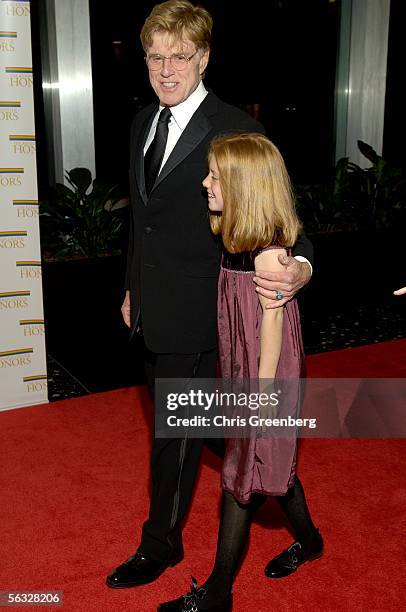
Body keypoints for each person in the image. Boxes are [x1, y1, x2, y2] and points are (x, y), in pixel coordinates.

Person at [106, 0, 314, 590]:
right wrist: (132, 286)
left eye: (180, 56)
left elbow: (281, 214)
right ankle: (304, 527)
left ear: (204, 58)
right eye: (155, 56)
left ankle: (159, 546)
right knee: (232, 438)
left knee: (177, 438)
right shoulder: (143, 121)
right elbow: (141, 221)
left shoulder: (235, 129)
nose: (166, 68)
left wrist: (300, 265)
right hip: (153, 306)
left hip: (208, 312)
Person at [159, 133, 322, 611]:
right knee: (270, 463)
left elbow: (271, 326)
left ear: (245, 186)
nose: (205, 182)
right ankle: (310, 541)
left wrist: (263, 392)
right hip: (242, 361)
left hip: (265, 370)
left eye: (216, 176)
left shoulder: (269, 250)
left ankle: (217, 593)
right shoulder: (236, 233)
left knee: (241, 474)